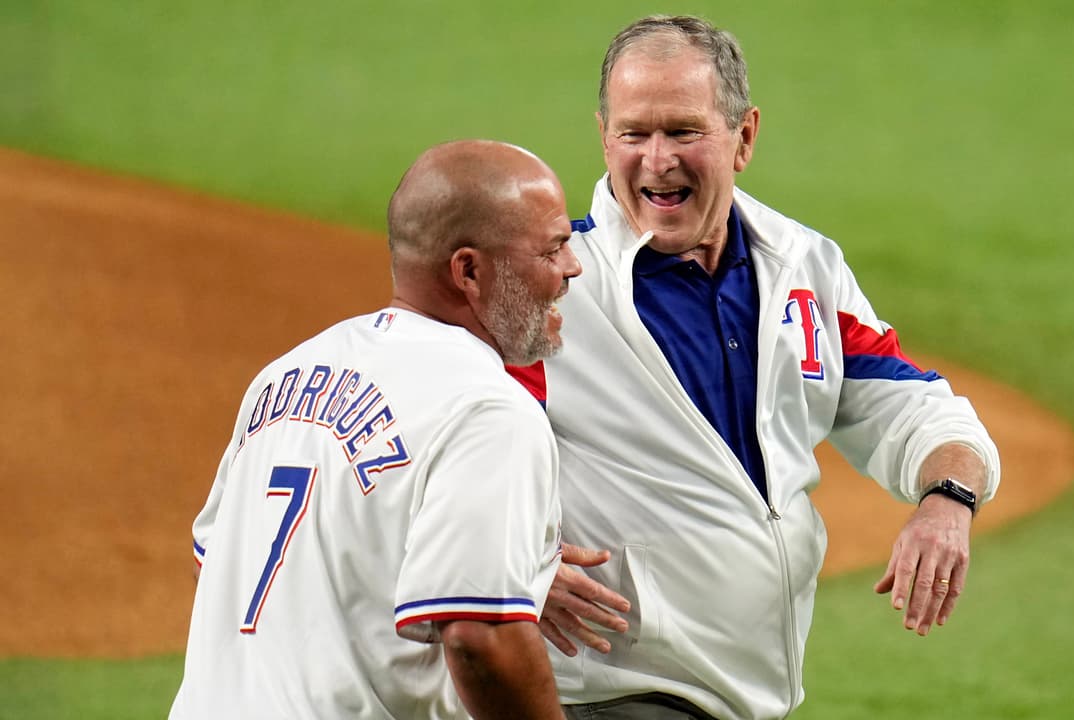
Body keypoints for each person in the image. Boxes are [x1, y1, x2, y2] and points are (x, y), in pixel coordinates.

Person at [510, 15, 1002, 719]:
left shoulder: (802, 267)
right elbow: (438, 446)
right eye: (633, 133)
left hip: (749, 692)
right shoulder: (555, 288)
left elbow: (908, 403)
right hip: (616, 692)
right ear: (603, 136)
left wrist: (948, 499)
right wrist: (515, 564)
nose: (656, 161)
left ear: (744, 137)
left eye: (683, 132)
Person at [169, 139, 582, 719]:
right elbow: (480, 636)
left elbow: (214, 564)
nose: (572, 267)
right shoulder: (489, 409)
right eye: (553, 248)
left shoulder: (285, 374)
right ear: (469, 270)